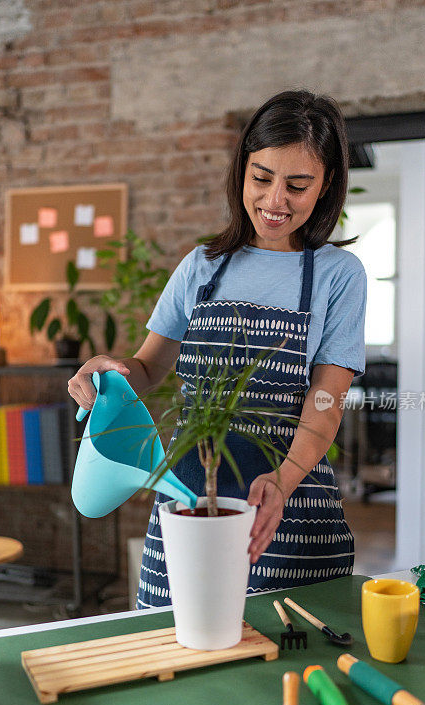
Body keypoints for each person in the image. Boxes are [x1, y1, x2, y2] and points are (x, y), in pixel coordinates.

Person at [68, 89, 367, 609]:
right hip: (190, 503)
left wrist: (283, 479)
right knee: (180, 649)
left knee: (287, 657)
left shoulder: (338, 277)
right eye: (262, 178)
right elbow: (148, 368)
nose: (275, 201)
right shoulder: (202, 266)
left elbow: (326, 401)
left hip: (285, 505)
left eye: (298, 185)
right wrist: (106, 375)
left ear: (326, 187)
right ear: (242, 171)